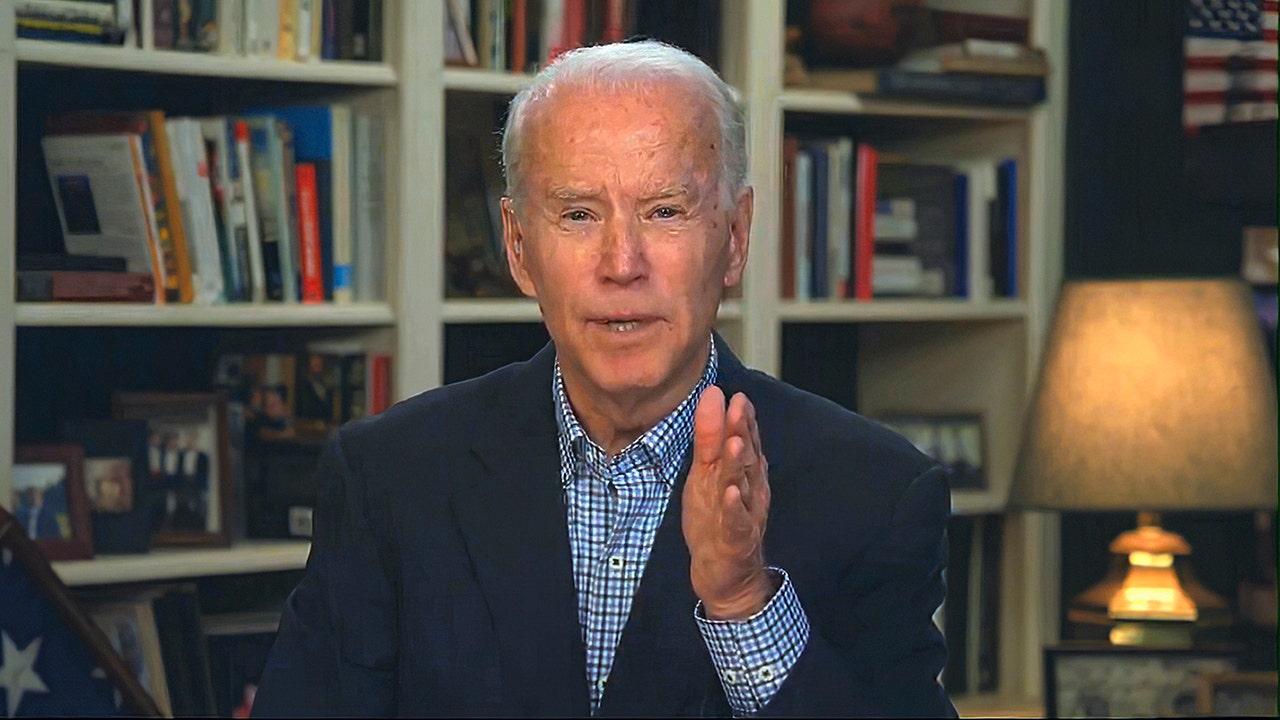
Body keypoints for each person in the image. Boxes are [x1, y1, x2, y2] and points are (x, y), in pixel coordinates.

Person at [254, 41, 952, 717]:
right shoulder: (388, 477)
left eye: (665, 211)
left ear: (736, 238)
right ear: (519, 248)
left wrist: (744, 603)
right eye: (579, 215)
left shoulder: (877, 494)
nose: (622, 264)